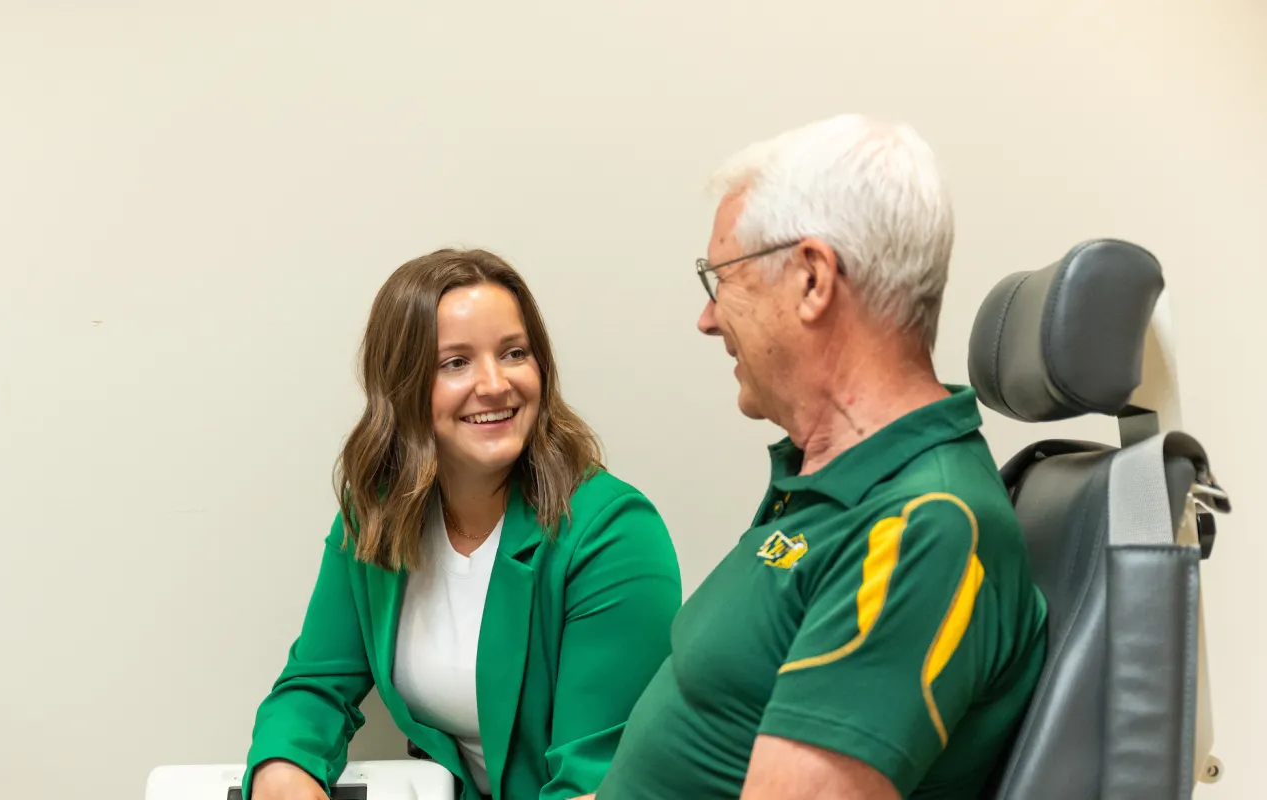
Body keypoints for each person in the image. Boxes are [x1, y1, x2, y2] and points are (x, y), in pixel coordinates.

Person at [592, 115, 1048, 799]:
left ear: (811, 280)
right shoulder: (830, 481)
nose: (707, 318)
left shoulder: (923, 526)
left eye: (722, 279)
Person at [244, 248, 683, 800]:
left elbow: (595, 781)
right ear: (402, 385)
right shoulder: (377, 510)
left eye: (514, 353)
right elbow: (316, 685)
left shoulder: (614, 534)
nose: (495, 384)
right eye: (455, 362)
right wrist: (283, 769)